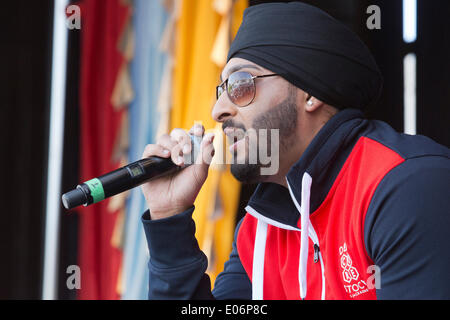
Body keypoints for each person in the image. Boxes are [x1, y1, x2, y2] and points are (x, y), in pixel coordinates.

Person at [140, 2, 450, 300]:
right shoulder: (261, 225)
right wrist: (169, 219)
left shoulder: (406, 186)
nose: (218, 110)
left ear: (311, 94)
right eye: (221, 91)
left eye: (239, 84)